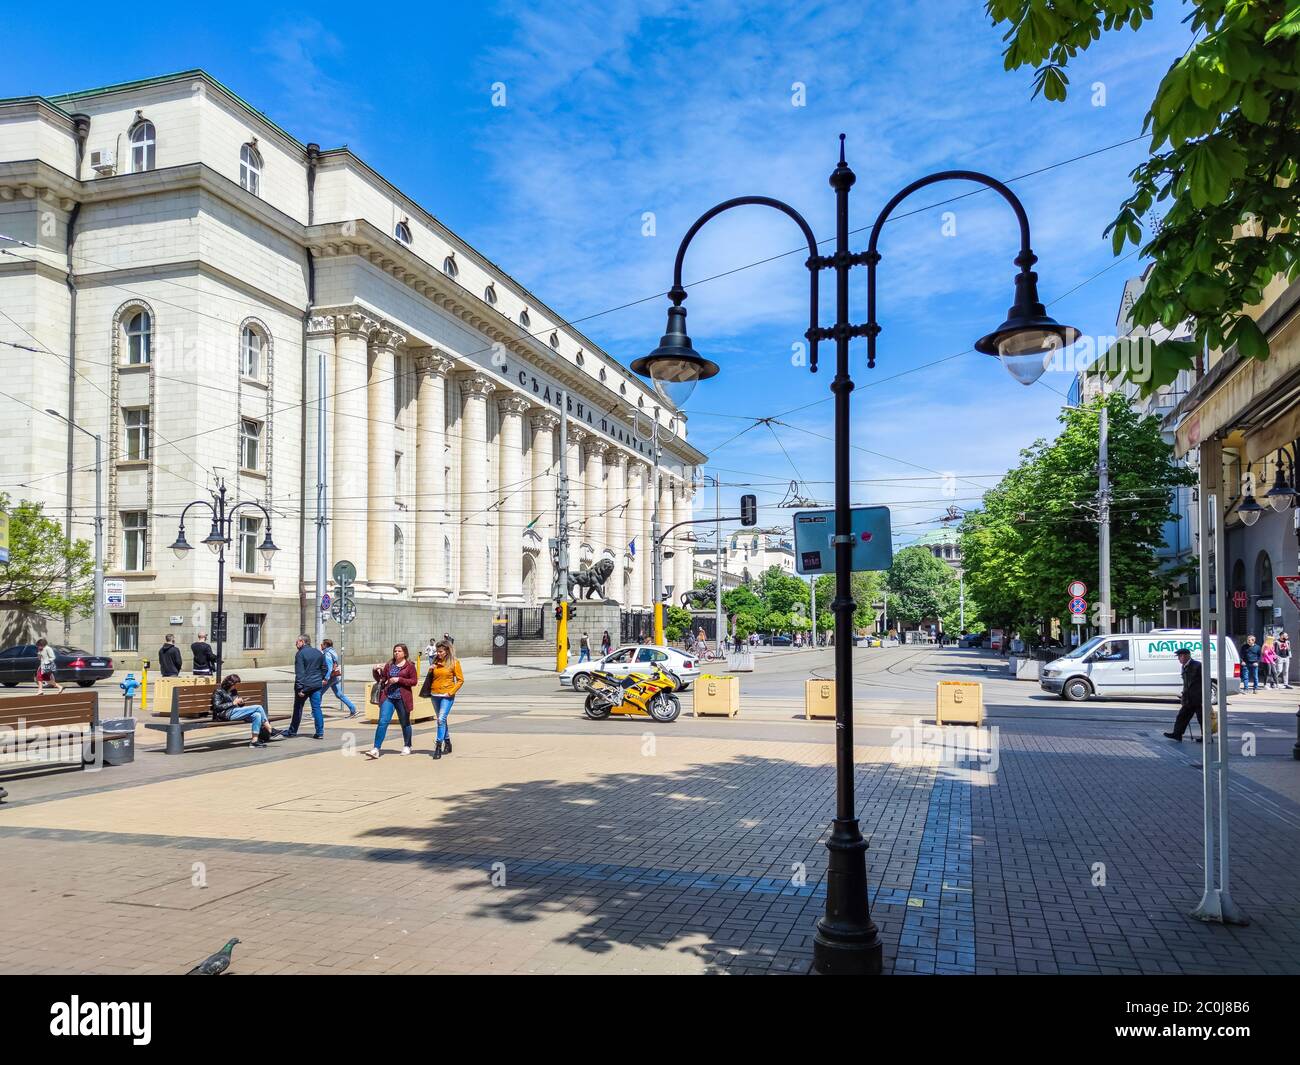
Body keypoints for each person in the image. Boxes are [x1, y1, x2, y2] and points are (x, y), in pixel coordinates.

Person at [365, 643, 417, 759]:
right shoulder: (389, 665)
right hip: (388, 696)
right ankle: (376, 748)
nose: (396, 653)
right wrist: (375, 671)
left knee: (405, 722)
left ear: (405, 653)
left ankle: (407, 745)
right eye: (395, 651)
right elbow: (382, 680)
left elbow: (414, 681)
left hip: (402, 698)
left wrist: (399, 679)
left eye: (399, 651)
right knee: (383, 721)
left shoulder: (410, 666)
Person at [421, 638, 463, 760]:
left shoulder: (454, 662)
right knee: (442, 720)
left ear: (447, 651)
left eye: (440, 651)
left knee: (440, 719)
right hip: (435, 694)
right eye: (437, 651)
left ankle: (438, 746)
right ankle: (448, 741)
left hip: (447, 695)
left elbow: (460, 680)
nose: (438, 654)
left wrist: (451, 692)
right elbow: (431, 679)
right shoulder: (435, 662)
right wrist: (430, 670)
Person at [212, 673, 274, 748]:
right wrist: (232, 703)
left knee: (257, 715)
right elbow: (216, 707)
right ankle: (270, 729)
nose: (236, 686)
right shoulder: (218, 691)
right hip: (224, 714)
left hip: (235, 711)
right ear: (230, 683)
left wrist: (241, 702)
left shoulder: (233, 691)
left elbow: (237, 704)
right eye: (235, 684)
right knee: (258, 707)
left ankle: (254, 741)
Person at [285, 634, 328, 738]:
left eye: (297, 641)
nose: (296, 643)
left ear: (303, 642)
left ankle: (292, 731)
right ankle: (319, 732)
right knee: (316, 708)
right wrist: (320, 678)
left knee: (298, 708)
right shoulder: (319, 652)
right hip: (316, 685)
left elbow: (300, 672)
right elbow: (325, 668)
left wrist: (300, 688)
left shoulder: (300, 654)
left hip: (304, 686)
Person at [1164, 648, 1204, 743]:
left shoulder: (1197, 666)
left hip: (1198, 698)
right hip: (1189, 698)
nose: (1179, 659)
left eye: (1180, 656)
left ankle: (1206, 737)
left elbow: (1205, 681)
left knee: (1202, 718)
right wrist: (1184, 696)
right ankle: (1177, 734)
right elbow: (1186, 684)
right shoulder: (1184, 666)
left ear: (1186, 656)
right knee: (1182, 716)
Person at [320, 638, 356, 717]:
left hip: (329, 677)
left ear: (325, 645)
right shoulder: (333, 652)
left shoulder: (327, 654)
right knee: (339, 694)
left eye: (322, 644)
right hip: (335, 677)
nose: (321, 646)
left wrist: (326, 679)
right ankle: (353, 709)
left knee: (318, 694)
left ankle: (315, 714)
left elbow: (329, 668)